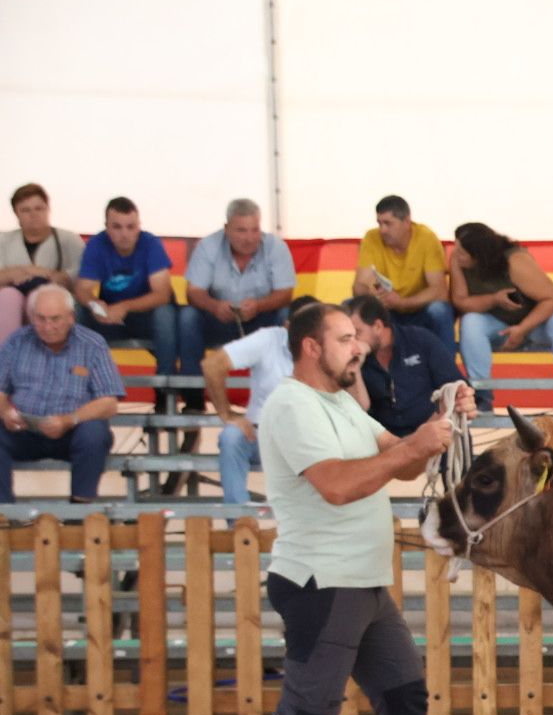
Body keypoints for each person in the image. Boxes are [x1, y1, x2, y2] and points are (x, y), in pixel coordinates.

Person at [205, 302, 490, 715]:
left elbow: (400, 459)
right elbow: (337, 484)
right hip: (322, 583)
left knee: (405, 696)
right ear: (311, 348)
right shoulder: (290, 405)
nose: (356, 347)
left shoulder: (340, 403)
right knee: (306, 714)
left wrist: (444, 412)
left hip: (357, 581)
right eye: (344, 338)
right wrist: (413, 449)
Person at [203, 295, 369, 504]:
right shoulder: (268, 339)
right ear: (287, 326)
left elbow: (358, 406)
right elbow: (212, 365)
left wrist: (355, 361)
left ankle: (323, 523)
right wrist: (226, 414)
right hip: (260, 433)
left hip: (310, 437)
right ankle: (238, 522)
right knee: (231, 437)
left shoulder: (328, 347)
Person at [0, 285, 124, 503]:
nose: (48, 326)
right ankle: (4, 512)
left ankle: (79, 508)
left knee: (95, 432)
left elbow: (109, 402)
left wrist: (69, 420)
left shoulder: (93, 344)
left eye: (55, 319)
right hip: (24, 430)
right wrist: (5, 411)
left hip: (72, 430)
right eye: (41, 319)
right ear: (31, 317)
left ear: (71, 317)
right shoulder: (16, 341)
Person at [448, 222, 553, 413]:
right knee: (470, 321)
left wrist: (523, 329)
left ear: (479, 255)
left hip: (537, 324)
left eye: (462, 251)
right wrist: (494, 299)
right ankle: (481, 395)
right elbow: (460, 301)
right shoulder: (457, 259)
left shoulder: (515, 260)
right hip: (499, 325)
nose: (455, 253)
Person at [179, 199, 296, 395]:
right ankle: (192, 398)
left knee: (286, 315)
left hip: (261, 320)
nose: (249, 238)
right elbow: (193, 292)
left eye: (254, 230)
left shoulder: (276, 247)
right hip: (218, 319)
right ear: (226, 229)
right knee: (188, 316)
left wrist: (259, 306)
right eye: (241, 230)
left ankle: (282, 392)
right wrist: (214, 306)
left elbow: (285, 293)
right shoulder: (208, 246)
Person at [75, 197, 185, 400]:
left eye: (130, 227)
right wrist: (93, 304)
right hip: (110, 317)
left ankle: (165, 391)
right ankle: (84, 386)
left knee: (165, 314)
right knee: (78, 310)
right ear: (107, 227)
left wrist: (125, 306)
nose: (124, 234)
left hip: (147, 317)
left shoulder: (150, 244)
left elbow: (162, 295)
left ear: (139, 227)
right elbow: (82, 289)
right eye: (117, 227)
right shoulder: (97, 244)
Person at [348, 295, 466, 437]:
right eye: (348, 336)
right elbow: (359, 411)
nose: (353, 341)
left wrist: (424, 434)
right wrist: (355, 367)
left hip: (434, 433)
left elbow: (455, 388)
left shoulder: (420, 340)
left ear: (378, 327)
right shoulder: (353, 357)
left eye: (357, 333)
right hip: (386, 443)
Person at [351, 195, 455, 352]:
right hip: (386, 310)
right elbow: (359, 286)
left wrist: (402, 303)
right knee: (349, 307)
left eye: (388, 223)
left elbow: (439, 291)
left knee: (440, 310)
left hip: (420, 311)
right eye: (379, 223)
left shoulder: (426, 238)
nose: (382, 230)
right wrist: (374, 295)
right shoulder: (371, 238)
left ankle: (447, 370)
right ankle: (364, 370)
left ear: (406, 222)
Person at [1, 184, 85, 345]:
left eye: (39, 208)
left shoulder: (69, 239)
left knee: (40, 298)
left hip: (54, 305)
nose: (33, 215)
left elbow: (82, 274)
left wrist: (52, 276)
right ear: (16, 214)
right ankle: (6, 360)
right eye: (25, 210)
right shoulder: (3, 240)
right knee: (7, 297)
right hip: (10, 301)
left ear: (48, 209)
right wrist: (24, 270)